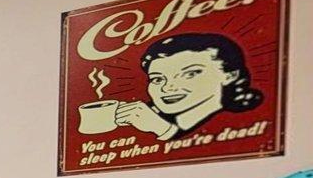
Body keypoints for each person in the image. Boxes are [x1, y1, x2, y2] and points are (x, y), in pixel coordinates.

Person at [112, 32, 264, 141]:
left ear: (229, 75)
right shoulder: (144, 130)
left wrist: (164, 130)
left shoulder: (237, 125)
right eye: (158, 79)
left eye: (190, 74)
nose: (167, 88)